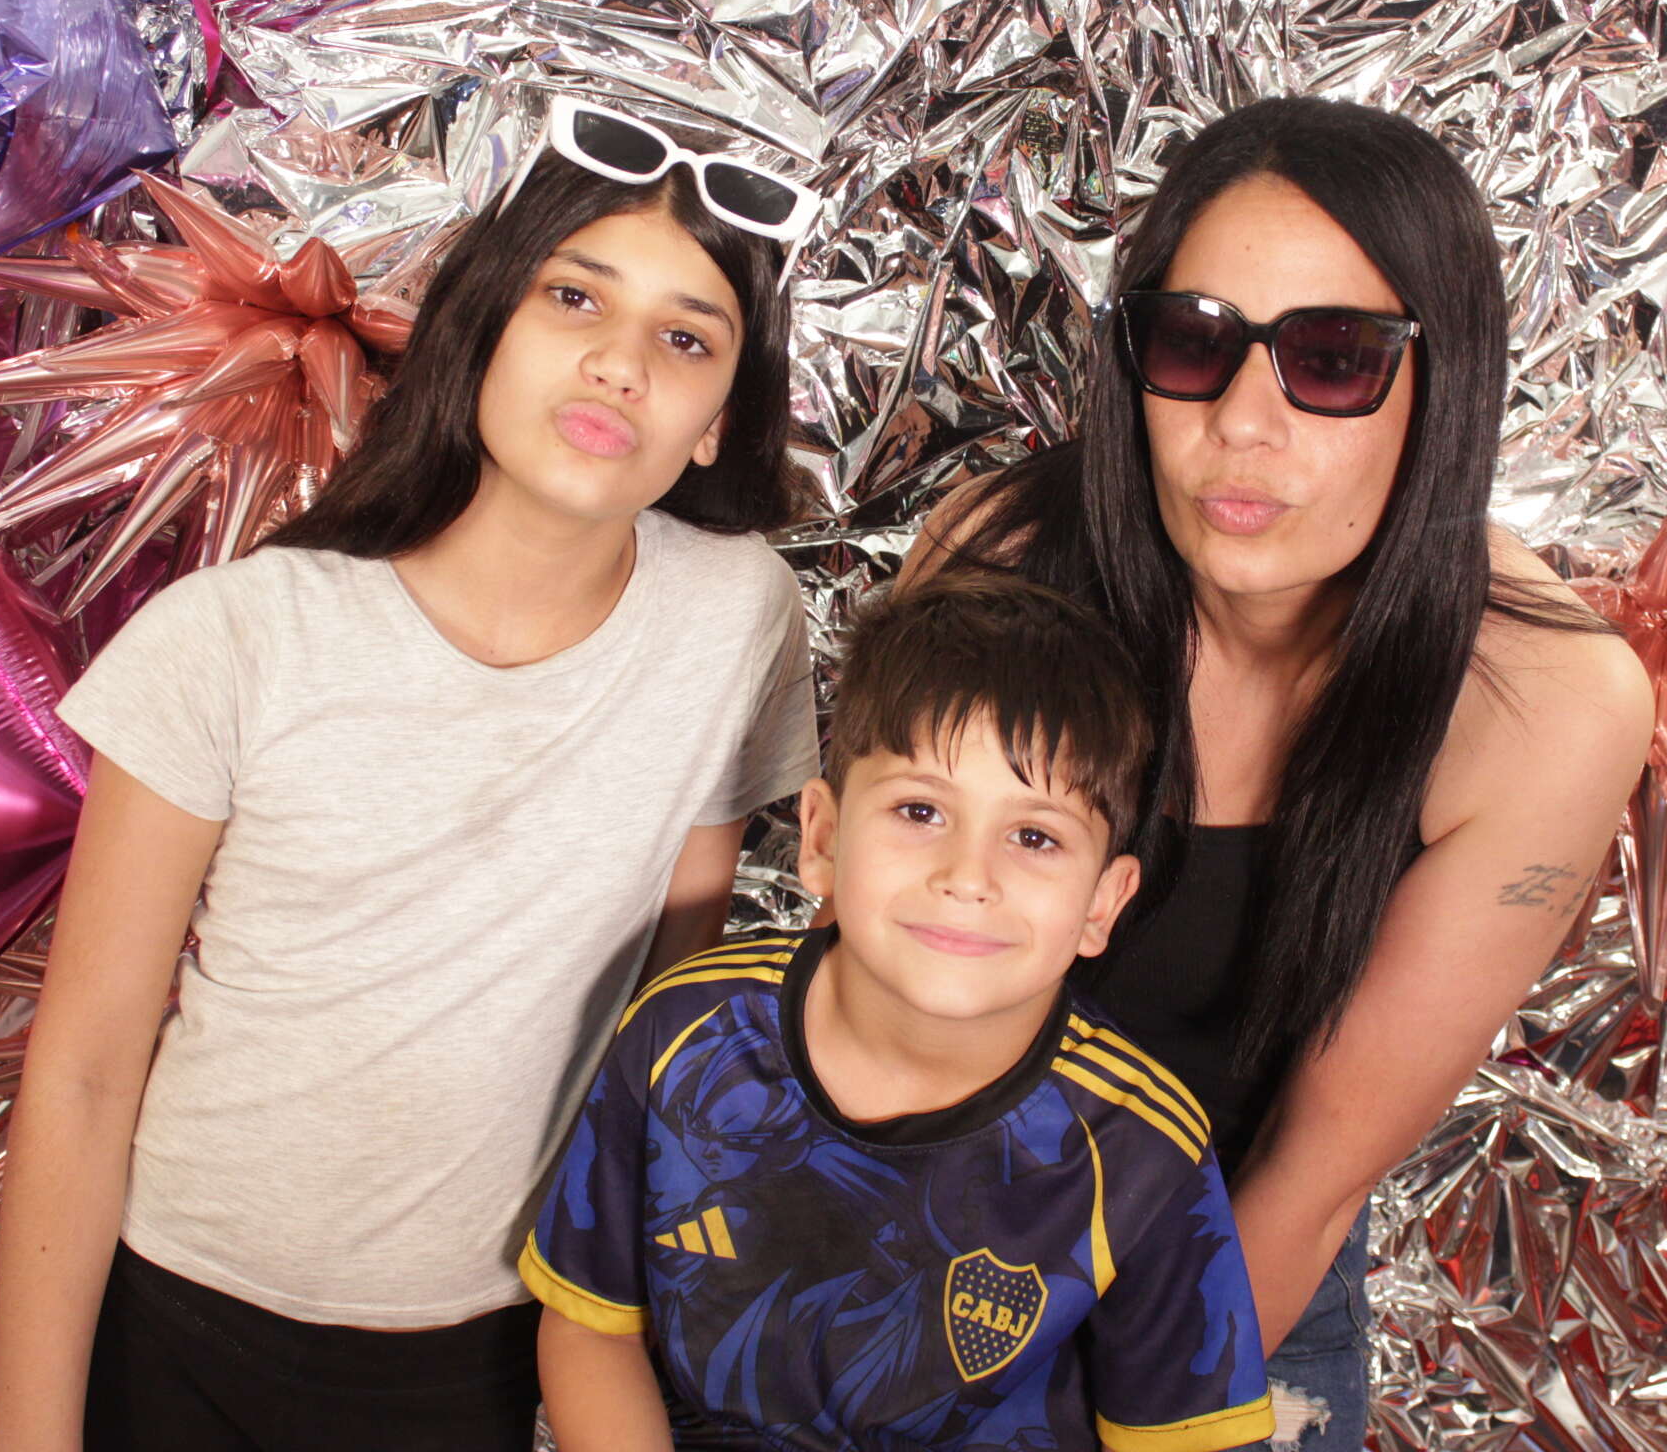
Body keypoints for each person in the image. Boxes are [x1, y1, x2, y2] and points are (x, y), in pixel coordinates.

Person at [0, 100, 825, 1452]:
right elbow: (82, 1071)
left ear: (721, 421)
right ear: (484, 327)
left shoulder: (739, 619)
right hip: (188, 1318)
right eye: (574, 297)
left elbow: (666, 1007)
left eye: (686, 338)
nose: (618, 364)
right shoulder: (237, 637)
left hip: (486, 1343)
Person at [911, 96, 1656, 1446]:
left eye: (1331, 360)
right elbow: (873, 989)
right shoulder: (1006, 560)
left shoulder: (1543, 700)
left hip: (1245, 1252)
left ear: (1442, 381)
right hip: (925, 1208)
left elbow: (1310, 1184)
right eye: (1194, 343)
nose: (1244, 425)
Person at [524, 576, 1279, 1452]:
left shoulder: (1142, 1151)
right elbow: (591, 1329)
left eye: (1034, 837)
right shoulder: (685, 1033)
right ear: (822, 838)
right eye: (920, 811)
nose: (967, 876)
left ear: (1103, 905)